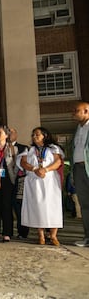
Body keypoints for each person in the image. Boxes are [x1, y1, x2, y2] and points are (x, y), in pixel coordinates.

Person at [19, 127, 64, 246]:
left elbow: (58, 162)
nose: (34, 136)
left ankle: (53, 236)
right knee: (38, 207)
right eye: (33, 135)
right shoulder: (29, 149)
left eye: (37, 134)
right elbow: (23, 162)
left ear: (44, 135)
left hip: (50, 180)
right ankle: (41, 235)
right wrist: (34, 169)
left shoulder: (53, 148)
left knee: (52, 206)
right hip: (35, 180)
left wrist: (45, 169)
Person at [72, 101, 89, 247]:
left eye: (77, 111)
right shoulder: (78, 128)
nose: (74, 113)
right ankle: (87, 236)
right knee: (84, 205)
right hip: (78, 169)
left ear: (86, 111)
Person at [9, 127, 29, 239]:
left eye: (12, 132)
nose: (10, 134)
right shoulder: (1, 148)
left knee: (20, 207)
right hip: (6, 181)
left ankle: (22, 232)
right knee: (7, 207)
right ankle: (8, 231)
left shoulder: (23, 148)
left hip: (20, 180)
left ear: (16, 134)